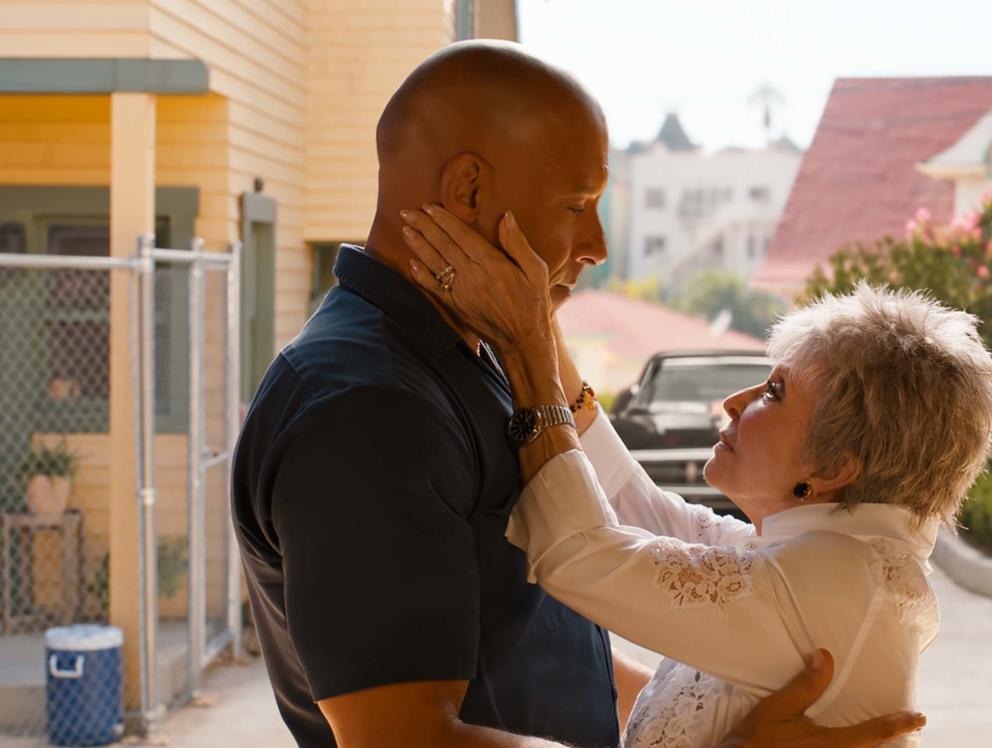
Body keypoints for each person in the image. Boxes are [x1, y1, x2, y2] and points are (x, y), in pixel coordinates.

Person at [231, 39, 925, 747]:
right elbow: (403, 739)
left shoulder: (478, 356)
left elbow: (546, 639)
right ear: (468, 191)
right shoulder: (366, 410)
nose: (596, 244)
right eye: (576, 204)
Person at [398, 206, 992, 746]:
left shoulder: (834, 581)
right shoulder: (823, 560)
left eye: (774, 392)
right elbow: (639, 507)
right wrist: (540, 319)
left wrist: (526, 343)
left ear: (834, 466)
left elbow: (583, 555)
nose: (735, 402)